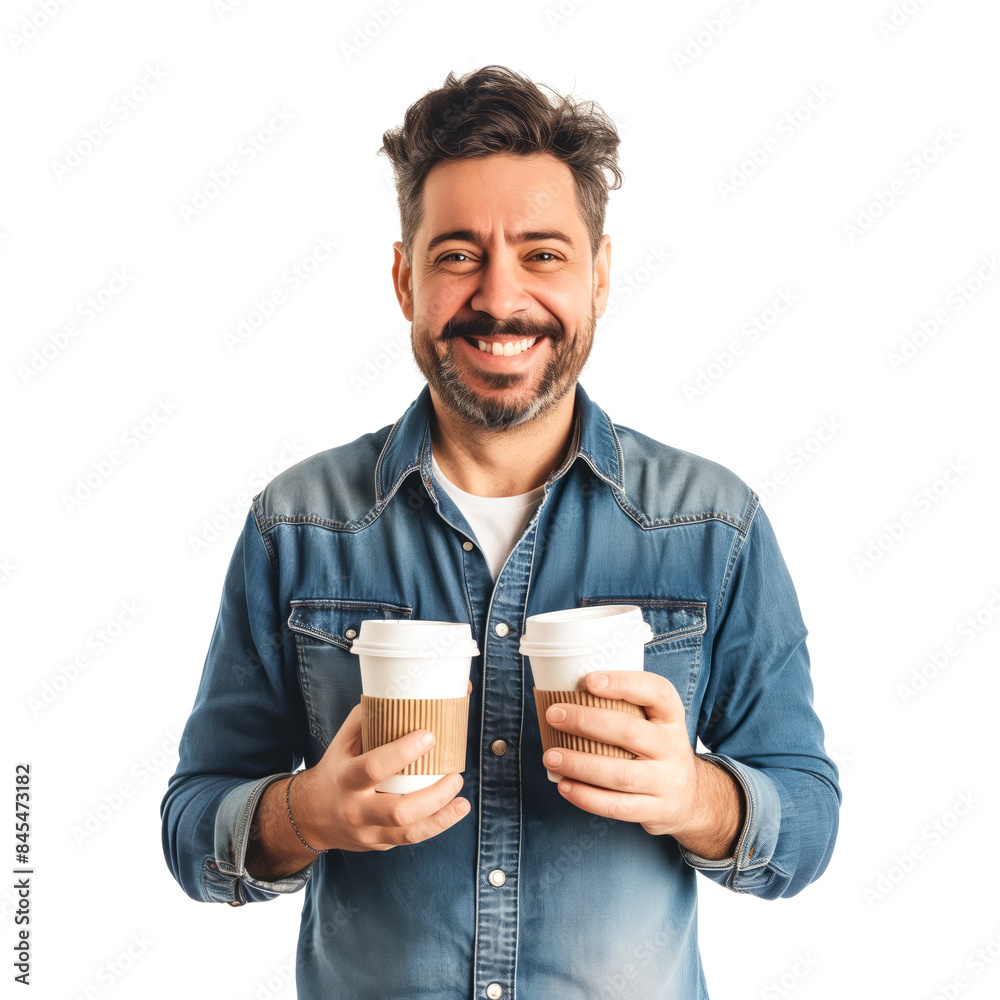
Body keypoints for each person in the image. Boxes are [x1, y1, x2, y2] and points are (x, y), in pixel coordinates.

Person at [161, 65, 841, 999]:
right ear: (405, 280)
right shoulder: (299, 525)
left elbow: (806, 821)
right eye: (457, 255)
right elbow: (193, 824)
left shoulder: (713, 526)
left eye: (544, 254)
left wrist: (697, 798)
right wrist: (304, 815)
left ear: (599, 275)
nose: (500, 296)